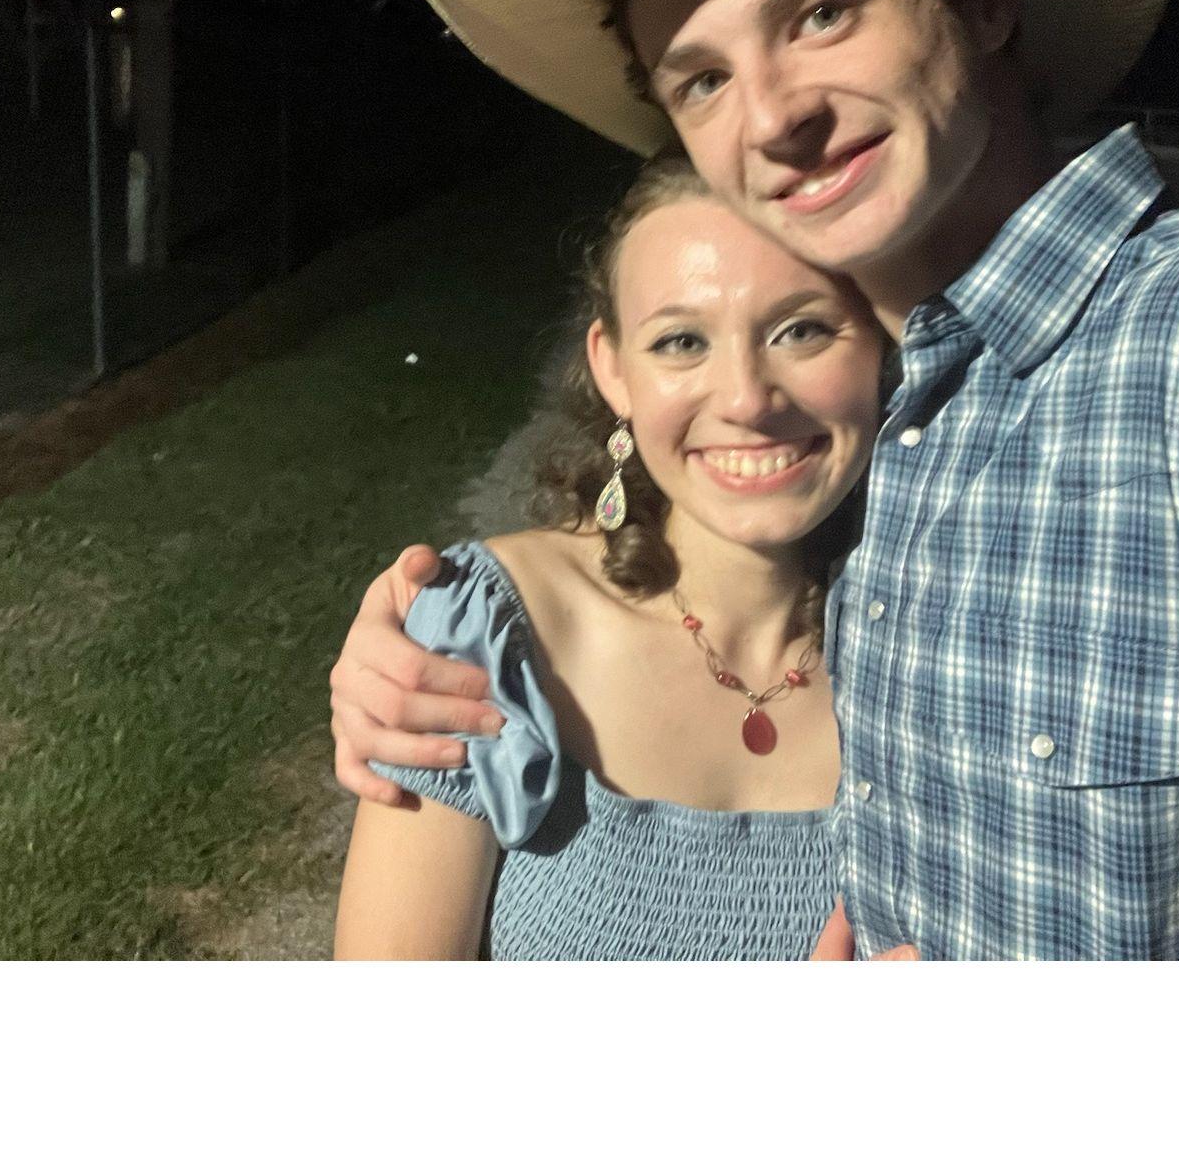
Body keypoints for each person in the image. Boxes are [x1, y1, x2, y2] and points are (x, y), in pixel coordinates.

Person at [330, 0, 1179, 960]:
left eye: (820, 11)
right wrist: (438, 630)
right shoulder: (909, 451)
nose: (770, 118)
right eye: (701, 78)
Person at [335, 155, 895, 959]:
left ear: (881, 341)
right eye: (680, 341)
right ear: (613, 368)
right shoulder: (492, 633)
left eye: (800, 328)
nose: (745, 398)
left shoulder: (946, 651)